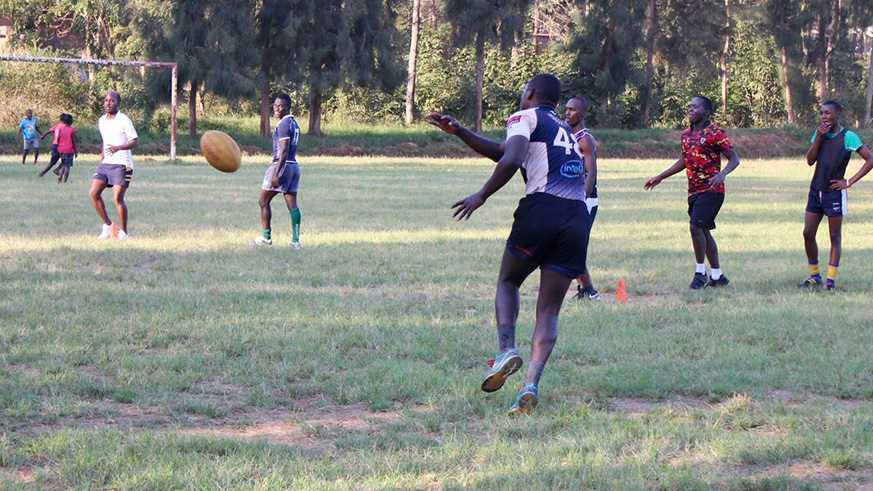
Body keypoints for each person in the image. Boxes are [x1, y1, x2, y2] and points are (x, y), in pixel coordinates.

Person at [428, 74, 590, 415]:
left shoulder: (523, 117)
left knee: (508, 280)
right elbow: (504, 152)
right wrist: (459, 132)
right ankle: (529, 385)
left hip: (542, 208)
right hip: (577, 217)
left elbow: (512, 159)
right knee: (548, 310)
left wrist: (481, 195)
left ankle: (505, 350)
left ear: (529, 93)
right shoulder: (563, 128)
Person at [644, 95, 740, 289]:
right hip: (693, 190)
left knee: (695, 228)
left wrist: (722, 174)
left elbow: (734, 159)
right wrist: (661, 176)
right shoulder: (686, 135)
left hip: (712, 190)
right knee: (704, 230)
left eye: (695, 107)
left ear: (706, 112)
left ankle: (700, 274)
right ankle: (718, 276)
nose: (690, 110)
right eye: (689, 107)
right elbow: (684, 161)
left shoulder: (716, 133)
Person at [798, 100, 873, 290]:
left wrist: (848, 182)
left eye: (828, 113)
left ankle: (830, 281)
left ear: (837, 115)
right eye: (822, 113)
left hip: (834, 194)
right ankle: (815, 276)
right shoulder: (819, 134)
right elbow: (809, 161)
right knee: (808, 233)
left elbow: (870, 159)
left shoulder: (849, 137)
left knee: (834, 236)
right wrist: (818, 139)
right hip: (816, 191)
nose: (824, 116)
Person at [249, 93, 302, 248]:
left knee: (263, 201)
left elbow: (284, 150)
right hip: (294, 167)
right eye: (275, 105)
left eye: (281, 106)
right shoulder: (294, 123)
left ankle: (266, 238)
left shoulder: (283, 124)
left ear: (287, 107)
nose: (277, 108)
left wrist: (277, 172)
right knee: (292, 204)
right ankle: (295, 241)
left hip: (283, 165)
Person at [90, 92, 139, 241]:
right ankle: (108, 225)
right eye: (106, 100)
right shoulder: (102, 121)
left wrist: (118, 148)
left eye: (112, 101)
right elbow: (105, 141)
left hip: (122, 164)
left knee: (118, 198)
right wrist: (102, 159)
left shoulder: (123, 119)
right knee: (93, 193)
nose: (108, 103)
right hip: (106, 164)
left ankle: (123, 233)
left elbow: (135, 141)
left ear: (117, 103)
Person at [564, 96, 599, 300]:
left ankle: (590, 291)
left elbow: (591, 174)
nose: (568, 113)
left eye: (573, 110)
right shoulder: (566, 135)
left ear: (583, 113)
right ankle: (585, 289)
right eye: (566, 109)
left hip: (585, 199)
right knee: (569, 245)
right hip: (570, 197)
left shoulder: (585, 138)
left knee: (574, 247)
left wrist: (582, 200)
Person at [39, 113, 79, 183]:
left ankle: (53, 171)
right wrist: (76, 150)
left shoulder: (58, 126)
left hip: (56, 145)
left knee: (57, 161)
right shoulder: (70, 129)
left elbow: (50, 131)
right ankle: (45, 173)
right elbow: (73, 139)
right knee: (65, 162)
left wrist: (43, 135)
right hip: (64, 147)